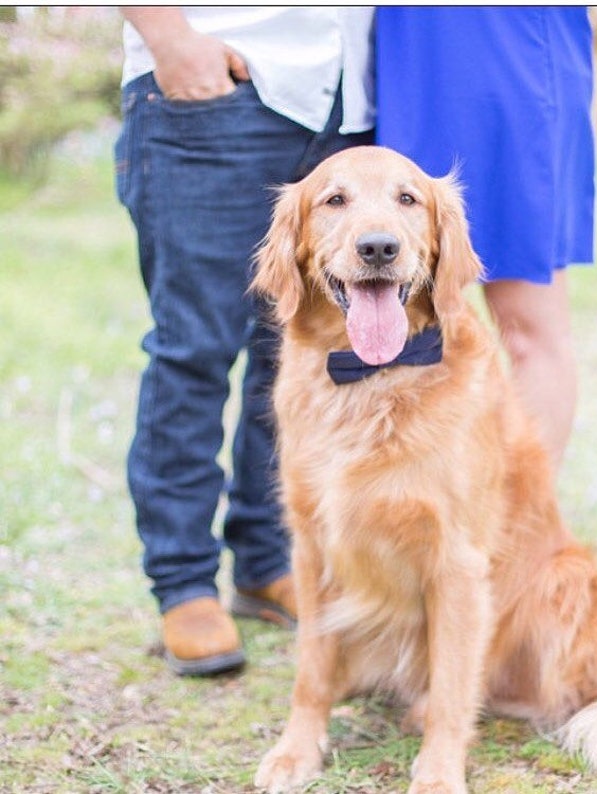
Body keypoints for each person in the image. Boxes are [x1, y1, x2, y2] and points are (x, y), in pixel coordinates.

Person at [115, 7, 375, 676]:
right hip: (221, 84)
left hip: (345, 100)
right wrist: (171, 43)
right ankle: (184, 583)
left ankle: (265, 561)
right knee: (194, 349)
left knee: (298, 353)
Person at [376, 7, 595, 473]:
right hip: (401, 68)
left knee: (529, 328)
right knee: (400, 324)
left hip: (511, 60)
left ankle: (522, 527)